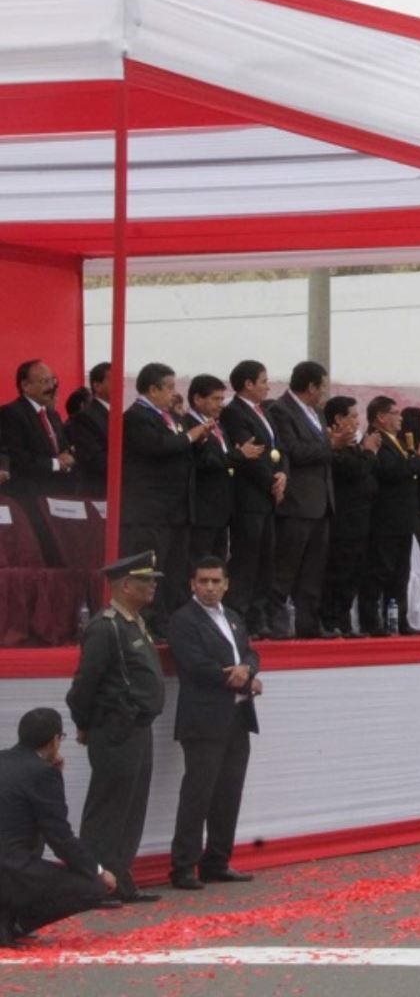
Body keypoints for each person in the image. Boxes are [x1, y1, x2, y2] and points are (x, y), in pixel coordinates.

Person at [64, 551, 167, 905]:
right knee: (107, 809)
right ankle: (94, 885)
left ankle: (121, 878)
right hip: (116, 729)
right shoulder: (105, 627)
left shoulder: (133, 621)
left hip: (138, 727)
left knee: (131, 807)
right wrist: (84, 723)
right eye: (146, 580)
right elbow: (84, 685)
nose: (153, 586)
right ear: (126, 585)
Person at [166, 557, 262, 888]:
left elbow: (250, 654)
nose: (209, 587)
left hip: (237, 717)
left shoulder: (232, 617)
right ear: (192, 584)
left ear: (226, 584)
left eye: (215, 581)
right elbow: (196, 666)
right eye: (203, 581)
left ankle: (217, 861)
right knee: (198, 794)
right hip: (204, 719)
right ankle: (183, 866)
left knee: (228, 793)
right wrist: (244, 680)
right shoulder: (184, 620)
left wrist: (248, 670)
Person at [0, 708, 116, 946]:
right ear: (55, 740)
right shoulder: (43, 774)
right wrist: (98, 871)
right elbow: (60, 837)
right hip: (9, 869)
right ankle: (15, 924)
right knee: (92, 887)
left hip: (10, 859)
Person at [266, 362, 348, 639]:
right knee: (286, 568)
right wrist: (331, 445)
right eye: (322, 386)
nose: (324, 392)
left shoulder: (317, 414)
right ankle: (276, 624)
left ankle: (308, 625)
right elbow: (294, 451)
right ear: (311, 386)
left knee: (314, 571)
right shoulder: (281, 410)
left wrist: (335, 446)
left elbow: (322, 452)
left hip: (321, 502)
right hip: (297, 502)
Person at [121, 362, 205, 630]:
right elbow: (156, 447)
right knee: (150, 571)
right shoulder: (136, 417)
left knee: (175, 570)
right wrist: (190, 438)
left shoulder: (171, 418)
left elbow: (181, 448)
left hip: (176, 510)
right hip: (151, 510)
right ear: (152, 389)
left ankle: (172, 623)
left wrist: (197, 441)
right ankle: (148, 623)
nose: (173, 393)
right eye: (168, 388)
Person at [220, 361, 288, 638]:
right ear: (248, 384)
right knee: (246, 561)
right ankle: (240, 618)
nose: (267, 386)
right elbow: (250, 455)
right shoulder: (234, 413)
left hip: (268, 498)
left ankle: (258, 618)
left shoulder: (263, 412)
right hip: (248, 497)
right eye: (263, 381)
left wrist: (283, 473)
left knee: (265, 561)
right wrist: (271, 481)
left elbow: (277, 448)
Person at [363, 396, 420, 636]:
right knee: (380, 572)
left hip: (404, 518)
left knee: (400, 573)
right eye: (395, 413)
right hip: (386, 518)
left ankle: (399, 618)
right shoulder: (376, 440)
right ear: (381, 417)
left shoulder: (398, 442)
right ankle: (372, 621)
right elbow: (389, 472)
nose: (400, 417)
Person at [185, 375, 253, 567]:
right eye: (216, 399)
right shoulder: (189, 425)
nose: (221, 404)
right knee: (199, 563)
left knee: (218, 562)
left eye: (222, 399)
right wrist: (239, 455)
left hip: (222, 509)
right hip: (202, 509)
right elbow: (205, 460)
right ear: (198, 399)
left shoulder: (218, 425)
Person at [323, 396, 377, 638]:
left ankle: (344, 621)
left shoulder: (354, 444)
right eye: (353, 416)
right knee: (338, 572)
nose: (357, 421)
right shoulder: (333, 444)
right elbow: (353, 471)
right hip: (342, 520)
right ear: (338, 418)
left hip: (362, 519)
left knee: (354, 573)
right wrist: (369, 453)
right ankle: (331, 620)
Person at [0, 359, 75, 498]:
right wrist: (55, 463)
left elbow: (64, 448)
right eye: (44, 382)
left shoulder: (53, 414)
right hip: (29, 495)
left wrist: (68, 456)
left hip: (59, 491)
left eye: (52, 380)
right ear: (25, 385)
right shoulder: (11, 413)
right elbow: (18, 458)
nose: (51, 387)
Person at [66, 361, 112, 498]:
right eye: (113, 379)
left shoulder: (118, 415)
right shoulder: (85, 417)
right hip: (97, 492)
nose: (120, 384)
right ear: (97, 386)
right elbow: (94, 458)